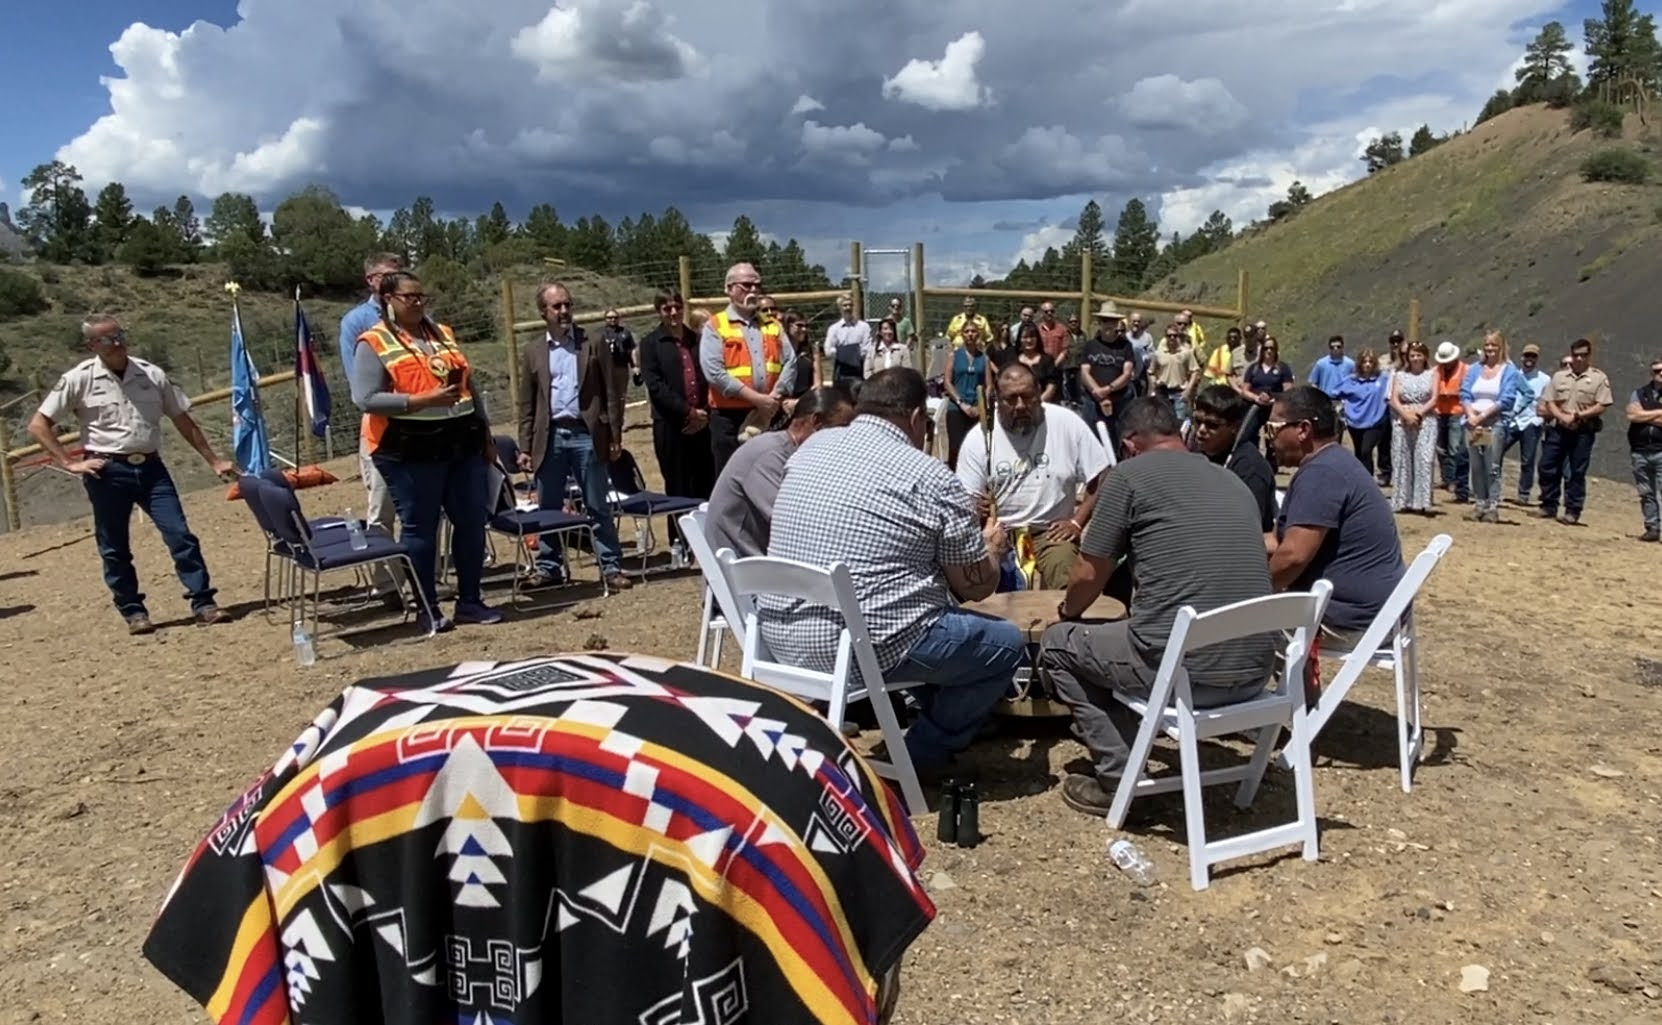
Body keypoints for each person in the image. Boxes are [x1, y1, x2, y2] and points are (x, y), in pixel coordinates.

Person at [760, 368, 1024, 775]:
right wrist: (991, 548)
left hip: (780, 634)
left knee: (921, 606)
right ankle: (921, 756)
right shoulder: (929, 474)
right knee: (1004, 644)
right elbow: (975, 587)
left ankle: (934, 715)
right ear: (918, 417)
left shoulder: (812, 448)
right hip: (857, 645)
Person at [1038, 398, 1277, 816]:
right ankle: (1126, 737)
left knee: (1060, 645)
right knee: (1130, 631)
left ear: (1129, 445)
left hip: (1188, 675)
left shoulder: (1128, 477)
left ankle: (1117, 778)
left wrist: (1069, 613)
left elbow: (1088, 573)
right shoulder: (1231, 480)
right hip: (1255, 671)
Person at [27, 315, 237, 634]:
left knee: (180, 534)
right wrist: (70, 463)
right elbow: (38, 425)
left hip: (152, 468)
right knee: (114, 545)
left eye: (120, 335)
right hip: (107, 471)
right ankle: (133, 611)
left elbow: (182, 419)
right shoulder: (78, 379)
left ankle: (204, 603)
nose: (117, 343)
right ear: (91, 345)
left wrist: (213, 460)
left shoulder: (151, 374)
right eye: (108, 339)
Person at [350, 270, 501, 631]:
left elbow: (468, 385)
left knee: (470, 521)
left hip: (460, 441)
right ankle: (427, 607)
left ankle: (470, 601)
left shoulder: (442, 334)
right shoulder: (373, 343)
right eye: (409, 297)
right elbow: (366, 398)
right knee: (420, 528)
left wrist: (485, 432)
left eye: (421, 296)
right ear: (388, 299)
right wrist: (420, 401)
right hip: (407, 449)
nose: (417, 303)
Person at [515, 281, 632, 592]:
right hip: (550, 436)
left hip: (587, 434)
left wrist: (615, 434)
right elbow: (527, 402)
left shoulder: (591, 342)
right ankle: (550, 567)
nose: (564, 311)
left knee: (597, 504)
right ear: (544, 312)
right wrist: (525, 444)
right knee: (549, 508)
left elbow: (611, 391)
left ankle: (610, 566)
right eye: (557, 306)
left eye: (568, 305)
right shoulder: (532, 352)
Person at [1267, 385, 1405, 644]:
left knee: (1234, 626)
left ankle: (1278, 686)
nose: (1269, 439)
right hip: (1375, 610)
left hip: (1352, 617)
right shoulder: (1331, 463)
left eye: (1272, 428)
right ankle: (1296, 686)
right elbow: (1277, 540)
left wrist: (1249, 591)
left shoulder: (1322, 474)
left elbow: (1293, 557)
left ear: (1303, 429)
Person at [956, 362, 1109, 589]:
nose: (1020, 406)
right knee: (987, 588)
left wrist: (1077, 522)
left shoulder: (1066, 423)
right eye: (1011, 399)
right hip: (1002, 534)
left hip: (1052, 532)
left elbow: (1102, 474)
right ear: (997, 401)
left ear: (1039, 394)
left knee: (1068, 579)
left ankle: (1064, 623)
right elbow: (965, 496)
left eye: (1027, 397)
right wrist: (975, 508)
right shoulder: (979, 438)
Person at [703, 385, 855, 558]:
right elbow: (792, 519)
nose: (846, 437)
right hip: (743, 567)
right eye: (842, 428)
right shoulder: (768, 455)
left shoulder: (797, 455)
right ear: (816, 422)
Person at [338, 251, 406, 600]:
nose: (396, 280)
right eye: (388, 275)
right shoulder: (356, 322)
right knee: (382, 506)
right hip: (380, 427)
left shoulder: (413, 316)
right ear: (371, 280)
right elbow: (360, 390)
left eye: (401, 273)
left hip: (420, 424)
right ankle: (386, 582)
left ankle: (425, 576)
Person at [700, 262, 798, 474]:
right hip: (728, 418)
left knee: (765, 473)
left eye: (757, 285)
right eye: (746, 285)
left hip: (767, 414)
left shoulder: (772, 324)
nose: (753, 290)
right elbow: (714, 373)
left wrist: (775, 396)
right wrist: (757, 399)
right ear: (728, 289)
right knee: (730, 477)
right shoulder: (715, 325)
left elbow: (790, 361)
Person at [638, 288, 715, 507]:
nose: (673, 312)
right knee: (678, 485)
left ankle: (705, 537)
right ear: (658, 311)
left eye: (677, 307)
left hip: (704, 423)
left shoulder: (698, 340)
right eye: (667, 308)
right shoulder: (650, 344)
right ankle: (679, 538)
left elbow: (711, 376)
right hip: (671, 425)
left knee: (707, 480)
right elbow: (655, 385)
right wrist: (688, 412)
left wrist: (704, 414)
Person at [1537, 337, 1613, 526]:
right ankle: (1548, 504)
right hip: (1558, 428)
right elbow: (1550, 401)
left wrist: (1579, 415)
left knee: (1576, 472)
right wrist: (1562, 417)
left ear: (1589, 356)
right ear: (1571, 356)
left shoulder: (1598, 378)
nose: (1579, 359)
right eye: (1576, 355)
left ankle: (1573, 510)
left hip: (1582, 430)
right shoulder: (1559, 377)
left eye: (1583, 355)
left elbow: (1602, 404)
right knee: (1547, 466)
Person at [1190, 384, 1277, 549]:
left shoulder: (1250, 468)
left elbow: (1247, 528)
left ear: (1234, 428)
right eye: (1198, 421)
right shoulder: (1196, 453)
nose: (1201, 430)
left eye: (1212, 425)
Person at [1459, 331, 1524, 523]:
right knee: (1476, 464)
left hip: (1494, 423)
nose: (1489, 348)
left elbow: (1507, 398)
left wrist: (1483, 416)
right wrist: (1471, 414)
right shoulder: (1474, 369)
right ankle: (1479, 503)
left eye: (1494, 345)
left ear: (1501, 346)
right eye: (1487, 344)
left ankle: (1493, 505)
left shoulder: (1509, 371)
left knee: (1492, 465)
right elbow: (1464, 393)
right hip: (1472, 423)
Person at [1387, 341, 1438, 514]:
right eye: (1412, 355)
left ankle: (1422, 501)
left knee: (1424, 458)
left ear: (1425, 356)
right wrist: (1405, 414)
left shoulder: (1433, 374)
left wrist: (1418, 414)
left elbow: (1434, 398)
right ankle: (1402, 500)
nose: (1415, 358)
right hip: (1403, 420)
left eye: (1419, 355)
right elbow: (1393, 399)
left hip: (1426, 419)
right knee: (1403, 459)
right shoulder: (1399, 375)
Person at [1079, 301, 1136, 451]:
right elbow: (1084, 371)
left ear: (1118, 323)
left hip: (1119, 401)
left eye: (1112, 321)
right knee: (1091, 440)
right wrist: (1098, 391)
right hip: (1092, 400)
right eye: (1105, 320)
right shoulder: (1090, 345)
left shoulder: (1126, 346)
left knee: (1118, 440)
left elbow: (1127, 373)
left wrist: (1108, 390)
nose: (1109, 324)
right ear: (1099, 323)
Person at [1501, 342, 1552, 505]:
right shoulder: (1514, 375)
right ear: (1522, 357)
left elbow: (1546, 400)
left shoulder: (1544, 379)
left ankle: (1523, 493)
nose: (1530, 359)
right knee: (1497, 452)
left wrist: (1539, 420)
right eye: (1527, 356)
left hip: (1531, 421)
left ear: (1537, 359)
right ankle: (1494, 488)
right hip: (1513, 420)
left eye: (1533, 356)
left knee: (1527, 459)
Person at [1335, 348, 1392, 483]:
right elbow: (1335, 391)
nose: (1367, 364)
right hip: (1355, 422)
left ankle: (1368, 480)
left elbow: (1393, 389)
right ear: (1359, 364)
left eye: (1370, 362)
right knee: (1359, 452)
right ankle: (1361, 480)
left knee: (1366, 450)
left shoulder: (1383, 379)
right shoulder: (1351, 380)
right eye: (1364, 362)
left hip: (1375, 422)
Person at [941, 320, 989, 467]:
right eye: (967, 331)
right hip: (957, 407)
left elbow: (989, 386)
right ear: (962, 334)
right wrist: (961, 402)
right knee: (956, 446)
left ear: (978, 335)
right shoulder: (954, 356)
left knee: (977, 447)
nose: (970, 335)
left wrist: (980, 407)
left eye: (973, 331)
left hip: (977, 407)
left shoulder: (984, 358)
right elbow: (947, 382)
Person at [1239, 336, 1294, 459]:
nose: (1269, 351)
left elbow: (1288, 390)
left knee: (1272, 437)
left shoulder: (1283, 368)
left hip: (1274, 407)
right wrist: (1256, 398)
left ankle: (1272, 462)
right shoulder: (1253, 368)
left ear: (1276, 350)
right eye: (1266, 348)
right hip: (1256, 406)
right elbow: (1244, 390)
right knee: (1249, 434)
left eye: (1272, 348)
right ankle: (1251, 458)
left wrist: (1273, 400)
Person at [1626, 356, 1662, 542]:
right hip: (1640, 450)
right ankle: (1652, 527)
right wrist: (1658, 412)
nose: (1660, 374)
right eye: (1656, 371)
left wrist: (1644, 414)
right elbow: (1632, 415)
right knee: (1646, 491)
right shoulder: (1640, 393)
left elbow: (1639, 414)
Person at [1430, 341, 1469, 502]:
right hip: (1439, 412)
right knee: (1441, 448)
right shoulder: (1435, 371)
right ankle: (1447, 479)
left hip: (1457, 413)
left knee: (1456, 450)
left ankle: (1458, 483)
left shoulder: (1465, 370)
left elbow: (1467, 390)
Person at [1307, 335, 1357, 432]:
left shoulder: (1350, 364)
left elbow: (1355, 383)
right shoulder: (1321, 364)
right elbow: (1314, 383)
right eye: (1332, 347)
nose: (1335, 349)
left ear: (1343, 347)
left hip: (1343, 402)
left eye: (1338, 347)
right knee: (1326, 430)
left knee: (1341, 430)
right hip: (1326, 401)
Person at [824, 294, 872, 387]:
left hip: (859, 369)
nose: (848, 307)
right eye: (845, 305)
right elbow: (828, 351)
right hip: (840, 370)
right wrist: (851, 351)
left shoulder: (864, 327)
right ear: (840, 308)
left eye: (850, 305)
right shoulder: (833, 329)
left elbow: (867, 348)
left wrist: (843, 350)